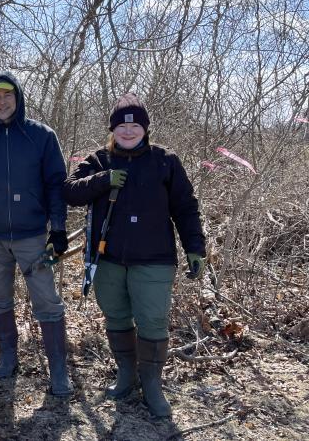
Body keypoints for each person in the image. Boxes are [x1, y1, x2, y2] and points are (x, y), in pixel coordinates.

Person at [63, 93, 206, 416]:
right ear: (113, 129)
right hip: (108, 259)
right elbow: (69, 191)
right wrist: (103, 180)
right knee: (115, 316)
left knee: (153, 320)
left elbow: (185, 208)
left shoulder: (165, 160)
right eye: (122, 126)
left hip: (154, 259)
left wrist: (195, 248)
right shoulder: (100, 160)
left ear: (145, 129)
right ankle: (126, 374)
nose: (128, 132)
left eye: (135, 126)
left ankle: (151, 384)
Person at [0, 72, 73, 395]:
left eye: (7, 95)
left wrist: (59, 229)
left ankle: (58, 370)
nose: (2, 102)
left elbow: (56, 184)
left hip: (33, 236)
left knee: (47, 301)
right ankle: (9, 357)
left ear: (18, 98)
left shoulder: (42, 136)